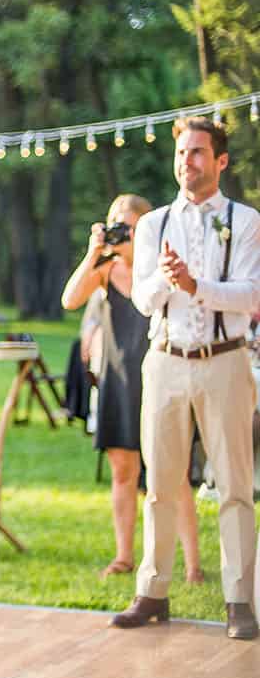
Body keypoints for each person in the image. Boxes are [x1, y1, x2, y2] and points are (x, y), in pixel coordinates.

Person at [112, 117, 260, 641]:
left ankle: (239, 600)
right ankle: (152, 590)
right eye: (181, 153)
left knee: (235, 486)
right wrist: (164, 280)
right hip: (166, 361)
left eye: (197, 153)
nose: (186, 162)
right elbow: (143, 299)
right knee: (162, 484)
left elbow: (251, 296)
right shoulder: (152, 225)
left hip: (226, 361)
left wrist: (197, 286)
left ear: (220, 161)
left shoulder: (244, 221)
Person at [61, 195, 203, 582]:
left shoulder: (158, 267)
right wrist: (94, 253)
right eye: (117, 225)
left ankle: (192, 565)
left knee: (173, 475)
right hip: (118, 380)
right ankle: (124, 556)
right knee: (123, 472)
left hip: (159, 375)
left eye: (131, 226)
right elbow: (70, 299)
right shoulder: (105, 270)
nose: (124, 232)